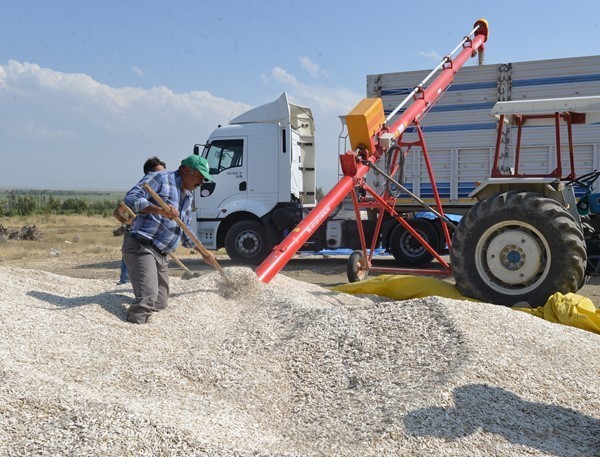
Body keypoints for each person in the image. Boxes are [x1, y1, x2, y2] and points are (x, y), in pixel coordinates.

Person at [122, 154, 216, 324]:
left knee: (161, 301)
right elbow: (131, 198)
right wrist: (158, 209)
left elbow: (185, 230)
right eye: (200, 177)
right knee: (148, 298)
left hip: (162, 254)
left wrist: (203, 252)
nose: (201, 183)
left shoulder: (188, 196)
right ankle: (133, 327)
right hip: (142, 247)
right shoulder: (161, 178)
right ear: (187, 170)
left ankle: (149, 318)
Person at [113, 156, 166, 285]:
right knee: (130, 261)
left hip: (154, 234)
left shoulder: (162, 191)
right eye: (159, 173)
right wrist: (127, 221)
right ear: (149, 174)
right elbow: (118, 211)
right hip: (135, 233)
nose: (163, 176)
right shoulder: (140, 191)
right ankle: (124, 283)